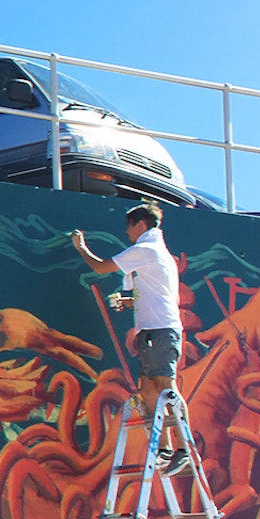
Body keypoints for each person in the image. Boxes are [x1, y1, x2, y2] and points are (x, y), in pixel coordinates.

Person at [71, 201, 188, 476]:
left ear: (141, 225)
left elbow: (101, 267)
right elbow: (135, 297)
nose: (127, 234)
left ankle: (183, 448)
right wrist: (120, 302)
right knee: (148, 390)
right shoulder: (152, 256)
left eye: (129, 228)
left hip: (161, 330)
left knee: (165, 387)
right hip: (150, 330)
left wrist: (80, 247)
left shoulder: (147, 250)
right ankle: (164, 449)